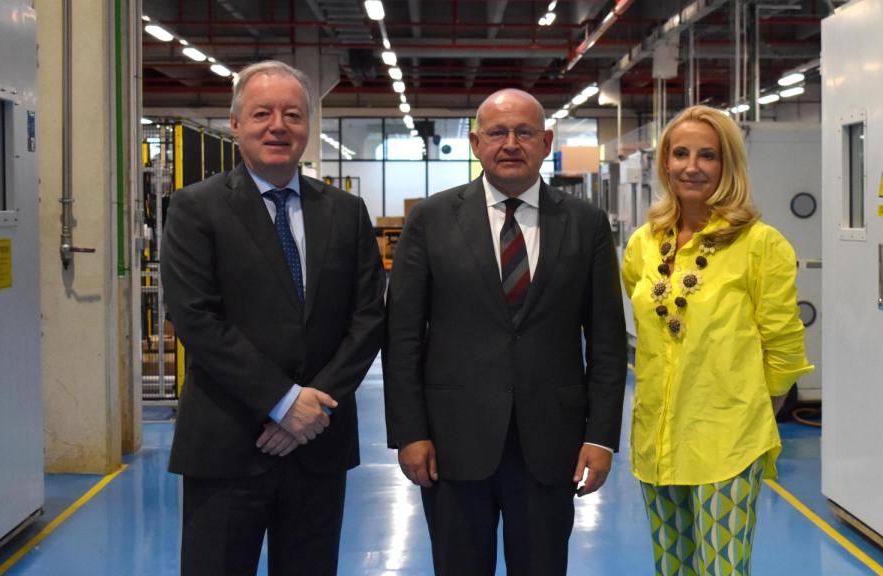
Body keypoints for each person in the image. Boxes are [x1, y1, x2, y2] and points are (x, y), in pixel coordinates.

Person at [384, 88, 627, 576]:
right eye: (497, 132)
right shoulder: (430, 220)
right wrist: (409, 433)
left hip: (550, 443)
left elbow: (606, 340)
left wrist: (601, 438)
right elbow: (402, 336)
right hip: (452, 444)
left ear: (546, 141)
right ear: (476, 143)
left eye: (524, 132)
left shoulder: (585, 223)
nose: (511, 143)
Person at [160, 60, 385, 576]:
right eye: (262, 113)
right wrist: (283, 403)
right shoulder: (196, 208)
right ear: (235, 124)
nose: (278, 126)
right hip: (228, 442)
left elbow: (369, 316)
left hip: (319, 447)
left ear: (310, 126)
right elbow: (195, 317)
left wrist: (313, 410)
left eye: (293, 114)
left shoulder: (346, 213)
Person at [621, 105, 814, 575]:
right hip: (658, 436)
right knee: (672, 566)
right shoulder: (644, 243)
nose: (692, 166)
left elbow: (785, 343)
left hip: (727, 440)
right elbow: (646, 316)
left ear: (727, 165)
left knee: (722, 569)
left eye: (707, 155)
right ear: (664, 162)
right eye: (681, 153)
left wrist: (754, 409)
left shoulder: (760, 244)